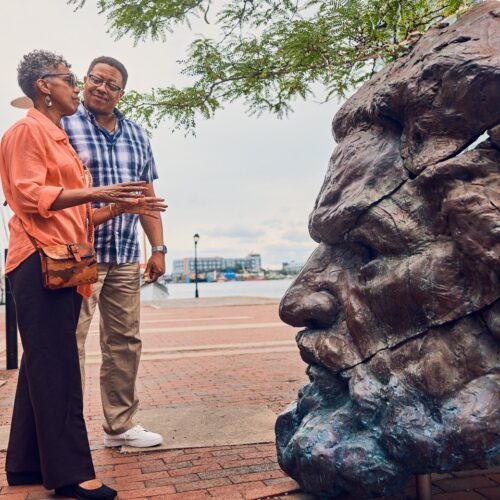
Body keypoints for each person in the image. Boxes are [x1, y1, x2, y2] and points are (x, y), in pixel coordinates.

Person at [0, 50, 165, 499]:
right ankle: (72, 476)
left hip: (67, 258)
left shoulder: (53, 134)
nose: (79, 87)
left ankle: (26, 465)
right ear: (43, 86)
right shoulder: (26, 131)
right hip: (40, 260)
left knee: (43, 364)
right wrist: (97, 190)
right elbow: (30, 196)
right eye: (72, 79)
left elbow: (77, 217)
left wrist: (119, 207)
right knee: (59, 368)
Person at [62, 56, 166, 448]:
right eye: (95, 80)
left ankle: (119, 427)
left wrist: (157, 248)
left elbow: (147, 197)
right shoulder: (64, 125)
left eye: (111, 84)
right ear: (84, 81)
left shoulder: (138, 135)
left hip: (124, 256)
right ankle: (67, 431)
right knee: (70, 341)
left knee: (125, 342)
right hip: (77, 254)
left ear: (122, 93)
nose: (101, 88)